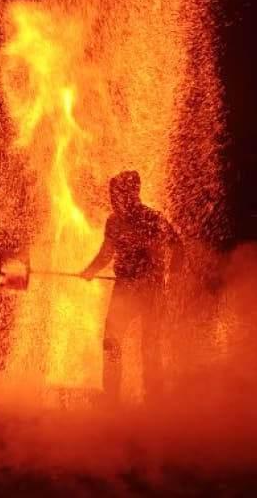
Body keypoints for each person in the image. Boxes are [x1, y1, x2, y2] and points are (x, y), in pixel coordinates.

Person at [80, 170, 183, 403]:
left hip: (151, 291)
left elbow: (177, 245)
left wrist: (172, 277)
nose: (112, 199)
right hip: (125, 288)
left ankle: (153, 399)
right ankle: (111, 397)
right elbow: (107, 253)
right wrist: (91, 270)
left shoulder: (153, 219)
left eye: (117, 194)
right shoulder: (114, 221)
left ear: (132, 194)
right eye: (112, 194)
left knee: (150, 345)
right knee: (111, 340)